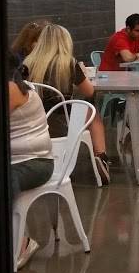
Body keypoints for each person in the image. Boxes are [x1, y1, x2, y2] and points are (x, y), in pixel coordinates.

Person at [23, 24, 111, 183]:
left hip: (35, 120)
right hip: (63, 121)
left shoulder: (28, 63)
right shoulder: (68, 63)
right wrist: (82, 76)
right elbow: (89, 92)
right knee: (92, 113)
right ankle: (101, 156)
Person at [7, 51, 53, 270]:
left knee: (4, 180)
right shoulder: (17, 84)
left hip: (35, 163)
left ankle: (21, 242)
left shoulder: (11, 89)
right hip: (21, 160)